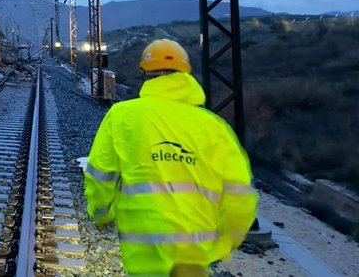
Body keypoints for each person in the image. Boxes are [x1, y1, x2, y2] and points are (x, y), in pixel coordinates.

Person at [83, 39, 258, 276]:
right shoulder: (215, 127)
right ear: (185, 75)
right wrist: (224, 244)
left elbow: (100, 175)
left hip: (143, 255)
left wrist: (101, 213)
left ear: (145, 75)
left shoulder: (122, 115)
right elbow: (241, 196)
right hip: (195, 258)